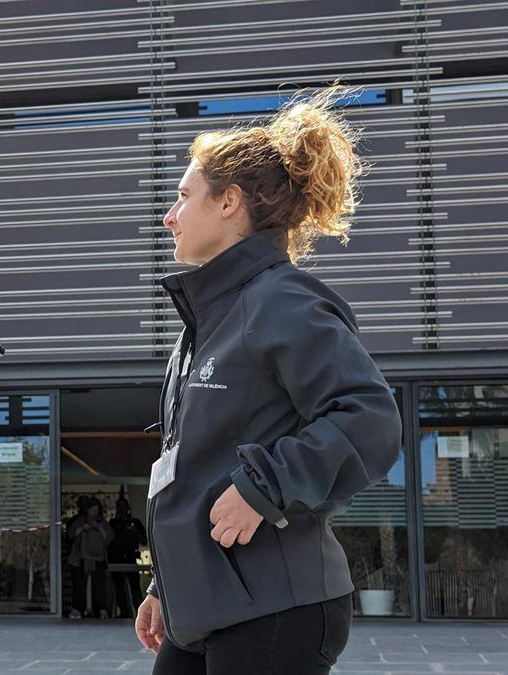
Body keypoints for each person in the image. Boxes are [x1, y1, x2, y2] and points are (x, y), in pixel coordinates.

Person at [134, 89, 402, 675]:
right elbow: (196, 466)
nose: (169, 215)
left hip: (277, 608)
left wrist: (267, 485)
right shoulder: (208, 318)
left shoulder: (281, 299)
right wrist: (166, 584)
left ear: (228, 202)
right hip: (204, 604)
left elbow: (370, 418)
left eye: (183, 196)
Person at [67, 498, 113, 619]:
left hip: (99, 558)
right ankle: (77, 609)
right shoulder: (79, 521)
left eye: (96, 511)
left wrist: (99, 527)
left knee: (100, 586)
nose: (94, 514)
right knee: (79, 585)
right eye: (92, 511)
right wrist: (84, 528)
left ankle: (102, 610)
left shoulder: (102, 522)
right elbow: (71, 535)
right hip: (80, 558)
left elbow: (108, 538)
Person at [107, 492, 147, 619]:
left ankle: (140, 613)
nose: (123, 510)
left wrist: (134, 532)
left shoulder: (135, 522)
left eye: (125, 506)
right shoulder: (113, 524)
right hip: (116, 557)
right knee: (119, 588)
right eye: (120, 507)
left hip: (131, 557)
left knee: (135, 587)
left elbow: (144, 541)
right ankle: (124, 612)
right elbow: (108, 540)